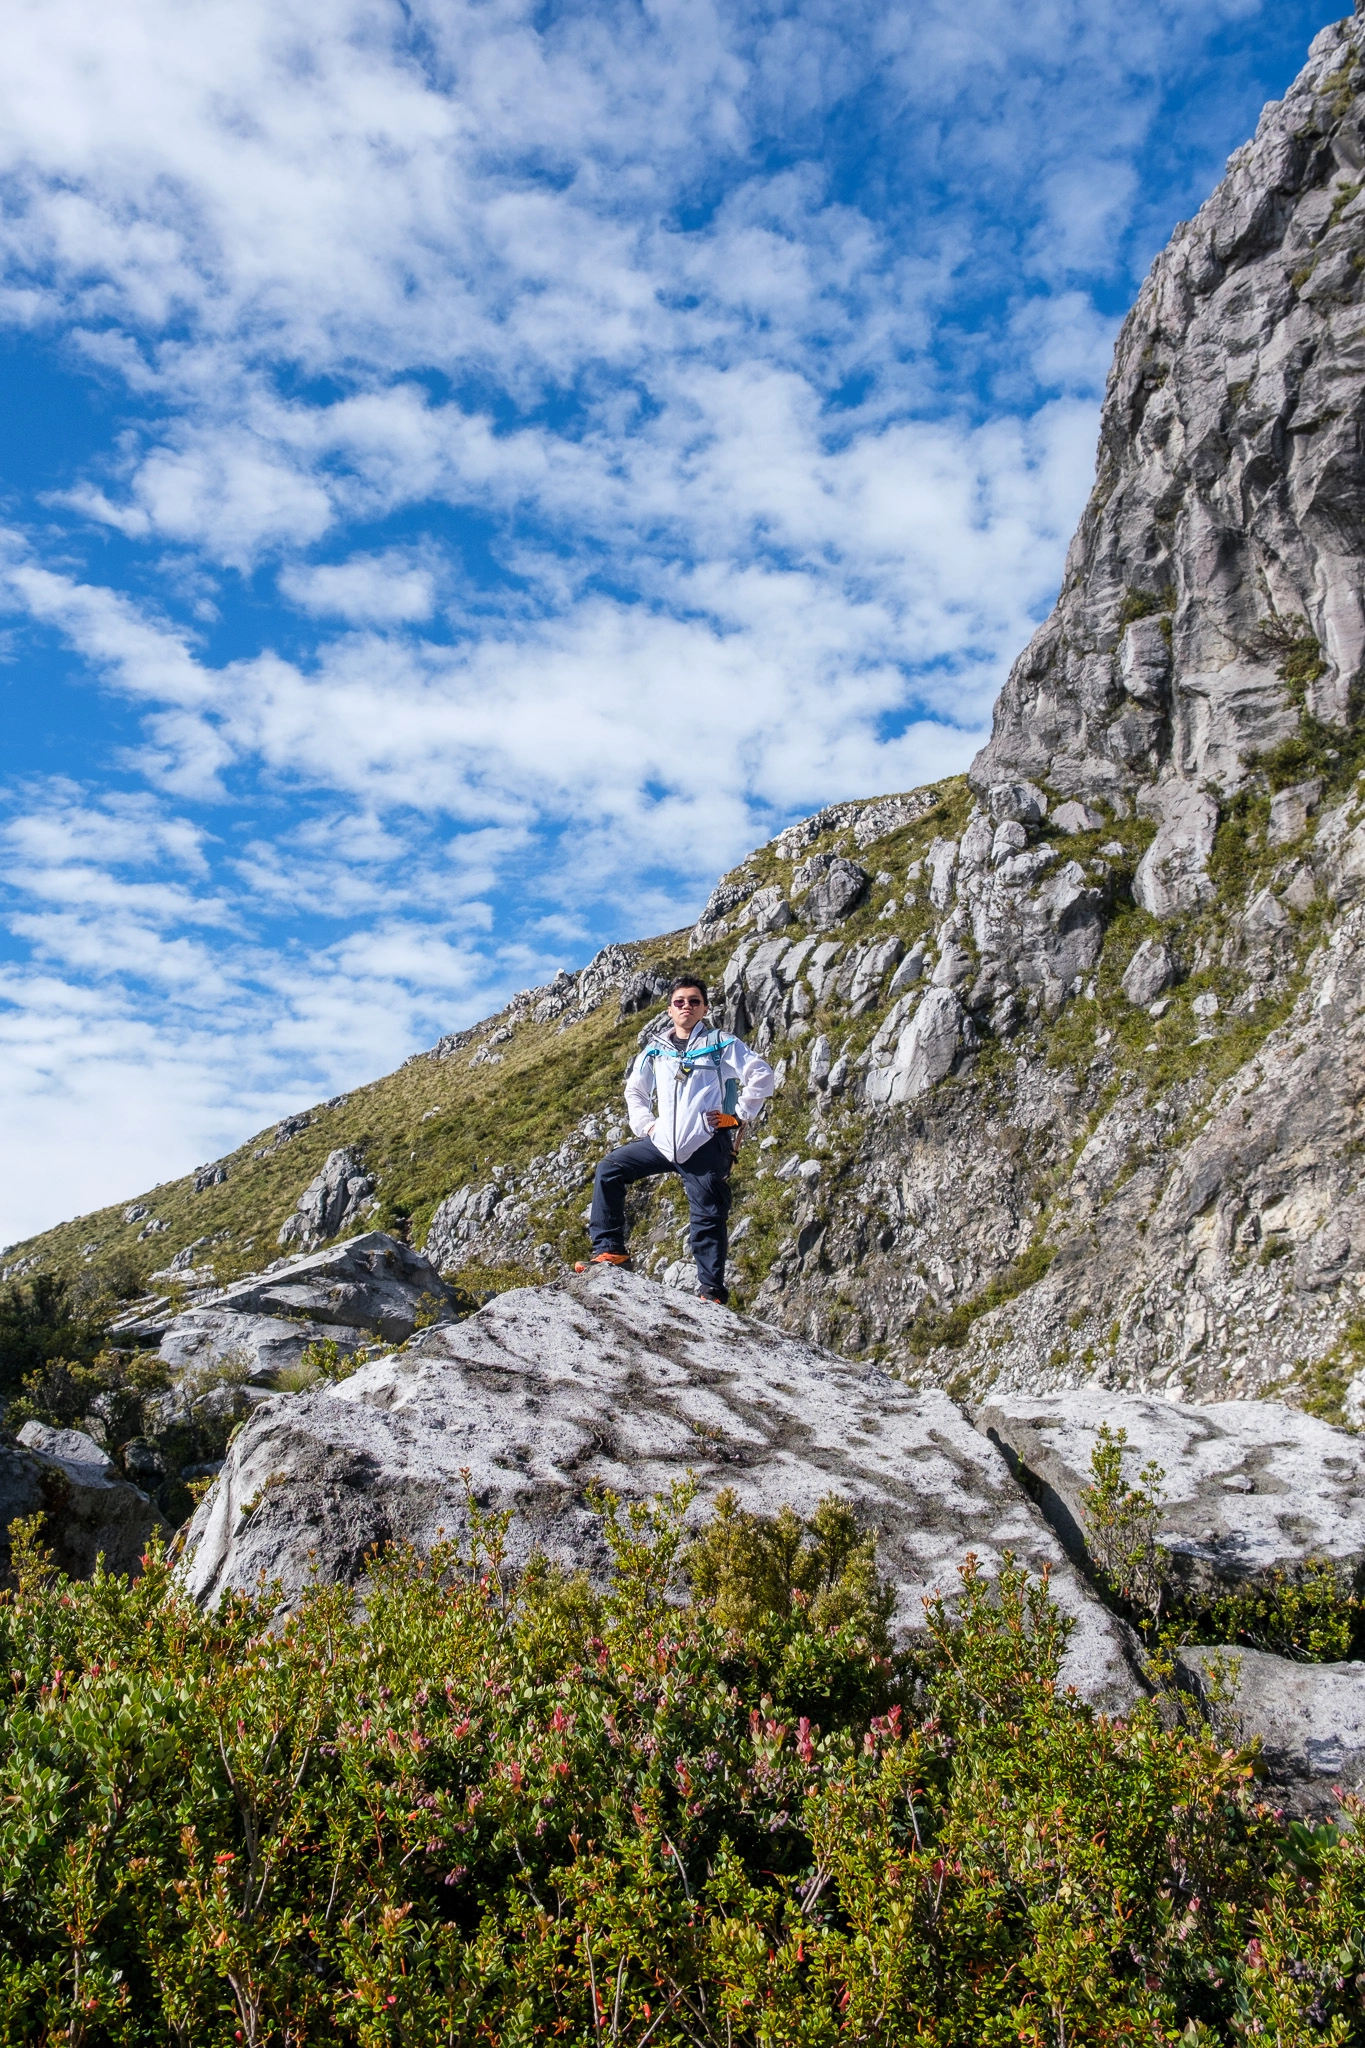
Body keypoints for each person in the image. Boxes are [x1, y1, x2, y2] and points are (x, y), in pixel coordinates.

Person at [578, 976, 775, 1304]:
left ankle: (711, 1291)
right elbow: (635, 1090)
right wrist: (646, 1126)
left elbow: (761, 1074)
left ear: (705, 1008)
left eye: (694, 1001)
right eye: (680, 1001)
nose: (687, 1006)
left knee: (708, 1215)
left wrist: (739, 1115)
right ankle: (610, 1251)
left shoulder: (720, 1044)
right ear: (670, 1009)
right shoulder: (656, 1049)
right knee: (610, 1169)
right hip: (662, 1141)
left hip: (705, 1141)